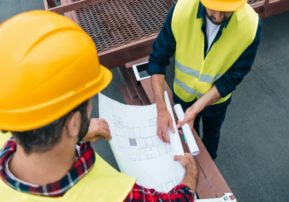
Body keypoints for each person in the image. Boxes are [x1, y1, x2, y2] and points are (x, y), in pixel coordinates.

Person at [0, 11, 198, 201]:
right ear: (73, 122)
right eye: (88, 99)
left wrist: (76, 135)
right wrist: (190, 174)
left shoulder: (10, 120)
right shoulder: (113, 195)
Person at [148, 0, 262, 160]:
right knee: (186, 137)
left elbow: (232, 78)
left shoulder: (250, 26)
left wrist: (195, 109)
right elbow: (157, 59)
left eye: (227, 10)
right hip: (183, 96)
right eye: (214, 8)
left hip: (216, 102)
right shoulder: (181, 10)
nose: (218, 16)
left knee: (212, 136)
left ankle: (209, 160)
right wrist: (161, 109)